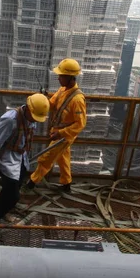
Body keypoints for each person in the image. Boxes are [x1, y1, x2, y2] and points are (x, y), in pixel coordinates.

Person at [0, 93, 50, 223]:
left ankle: (3, 211)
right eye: (35, 116)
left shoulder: (30, 119)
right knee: (14, 196)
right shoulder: (10, 120)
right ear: (28, 109)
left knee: (11, 189)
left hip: (21, 158)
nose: (36, 120)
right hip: (8, 160)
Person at [26, 59, 87, 193]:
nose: (58, 78)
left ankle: (31, 182)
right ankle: (66, 184)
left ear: (70, 78)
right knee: (63, 158)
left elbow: (80, 123)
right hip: (58, 132)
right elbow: (51, 105)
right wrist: (44, 98)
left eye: (61, 76)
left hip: (64, 135)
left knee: (46, 158)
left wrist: (61, 133)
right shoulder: (62, 90)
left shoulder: (77, 100)